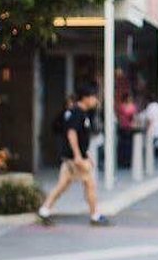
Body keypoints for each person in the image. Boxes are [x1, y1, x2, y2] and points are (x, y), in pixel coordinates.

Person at [37, 84, 109, 226]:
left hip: (72, 157)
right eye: (94, 97)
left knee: (63, 185)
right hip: (73, 158)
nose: (96, 100)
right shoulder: (76, 113)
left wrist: (86, 154)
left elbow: (81, 138)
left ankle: (44, 210)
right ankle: (95, 215)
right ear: (86, 98)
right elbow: (71, 134)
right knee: (90, 184)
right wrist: (78, 156)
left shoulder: (82, 113)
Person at [116, 92, 138, 168]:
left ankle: (126, 161)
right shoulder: (128, 107)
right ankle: (124, 161)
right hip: (125, 128)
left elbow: (133, 117)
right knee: (125, 145)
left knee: (126, 146)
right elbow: (132, 117)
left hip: (126, 128)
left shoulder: (124, 106)